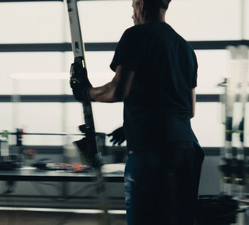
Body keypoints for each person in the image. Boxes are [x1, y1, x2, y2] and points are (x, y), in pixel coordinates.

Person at [70, 0, 204, 224]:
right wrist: (133, 124)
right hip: (187, 150)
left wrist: (85, 91)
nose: (132, 14)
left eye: (132, 6)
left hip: (152, 150)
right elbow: (188, 110)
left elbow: (117, 90)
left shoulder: (136, 35)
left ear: (141, 4)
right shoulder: (185, 48)